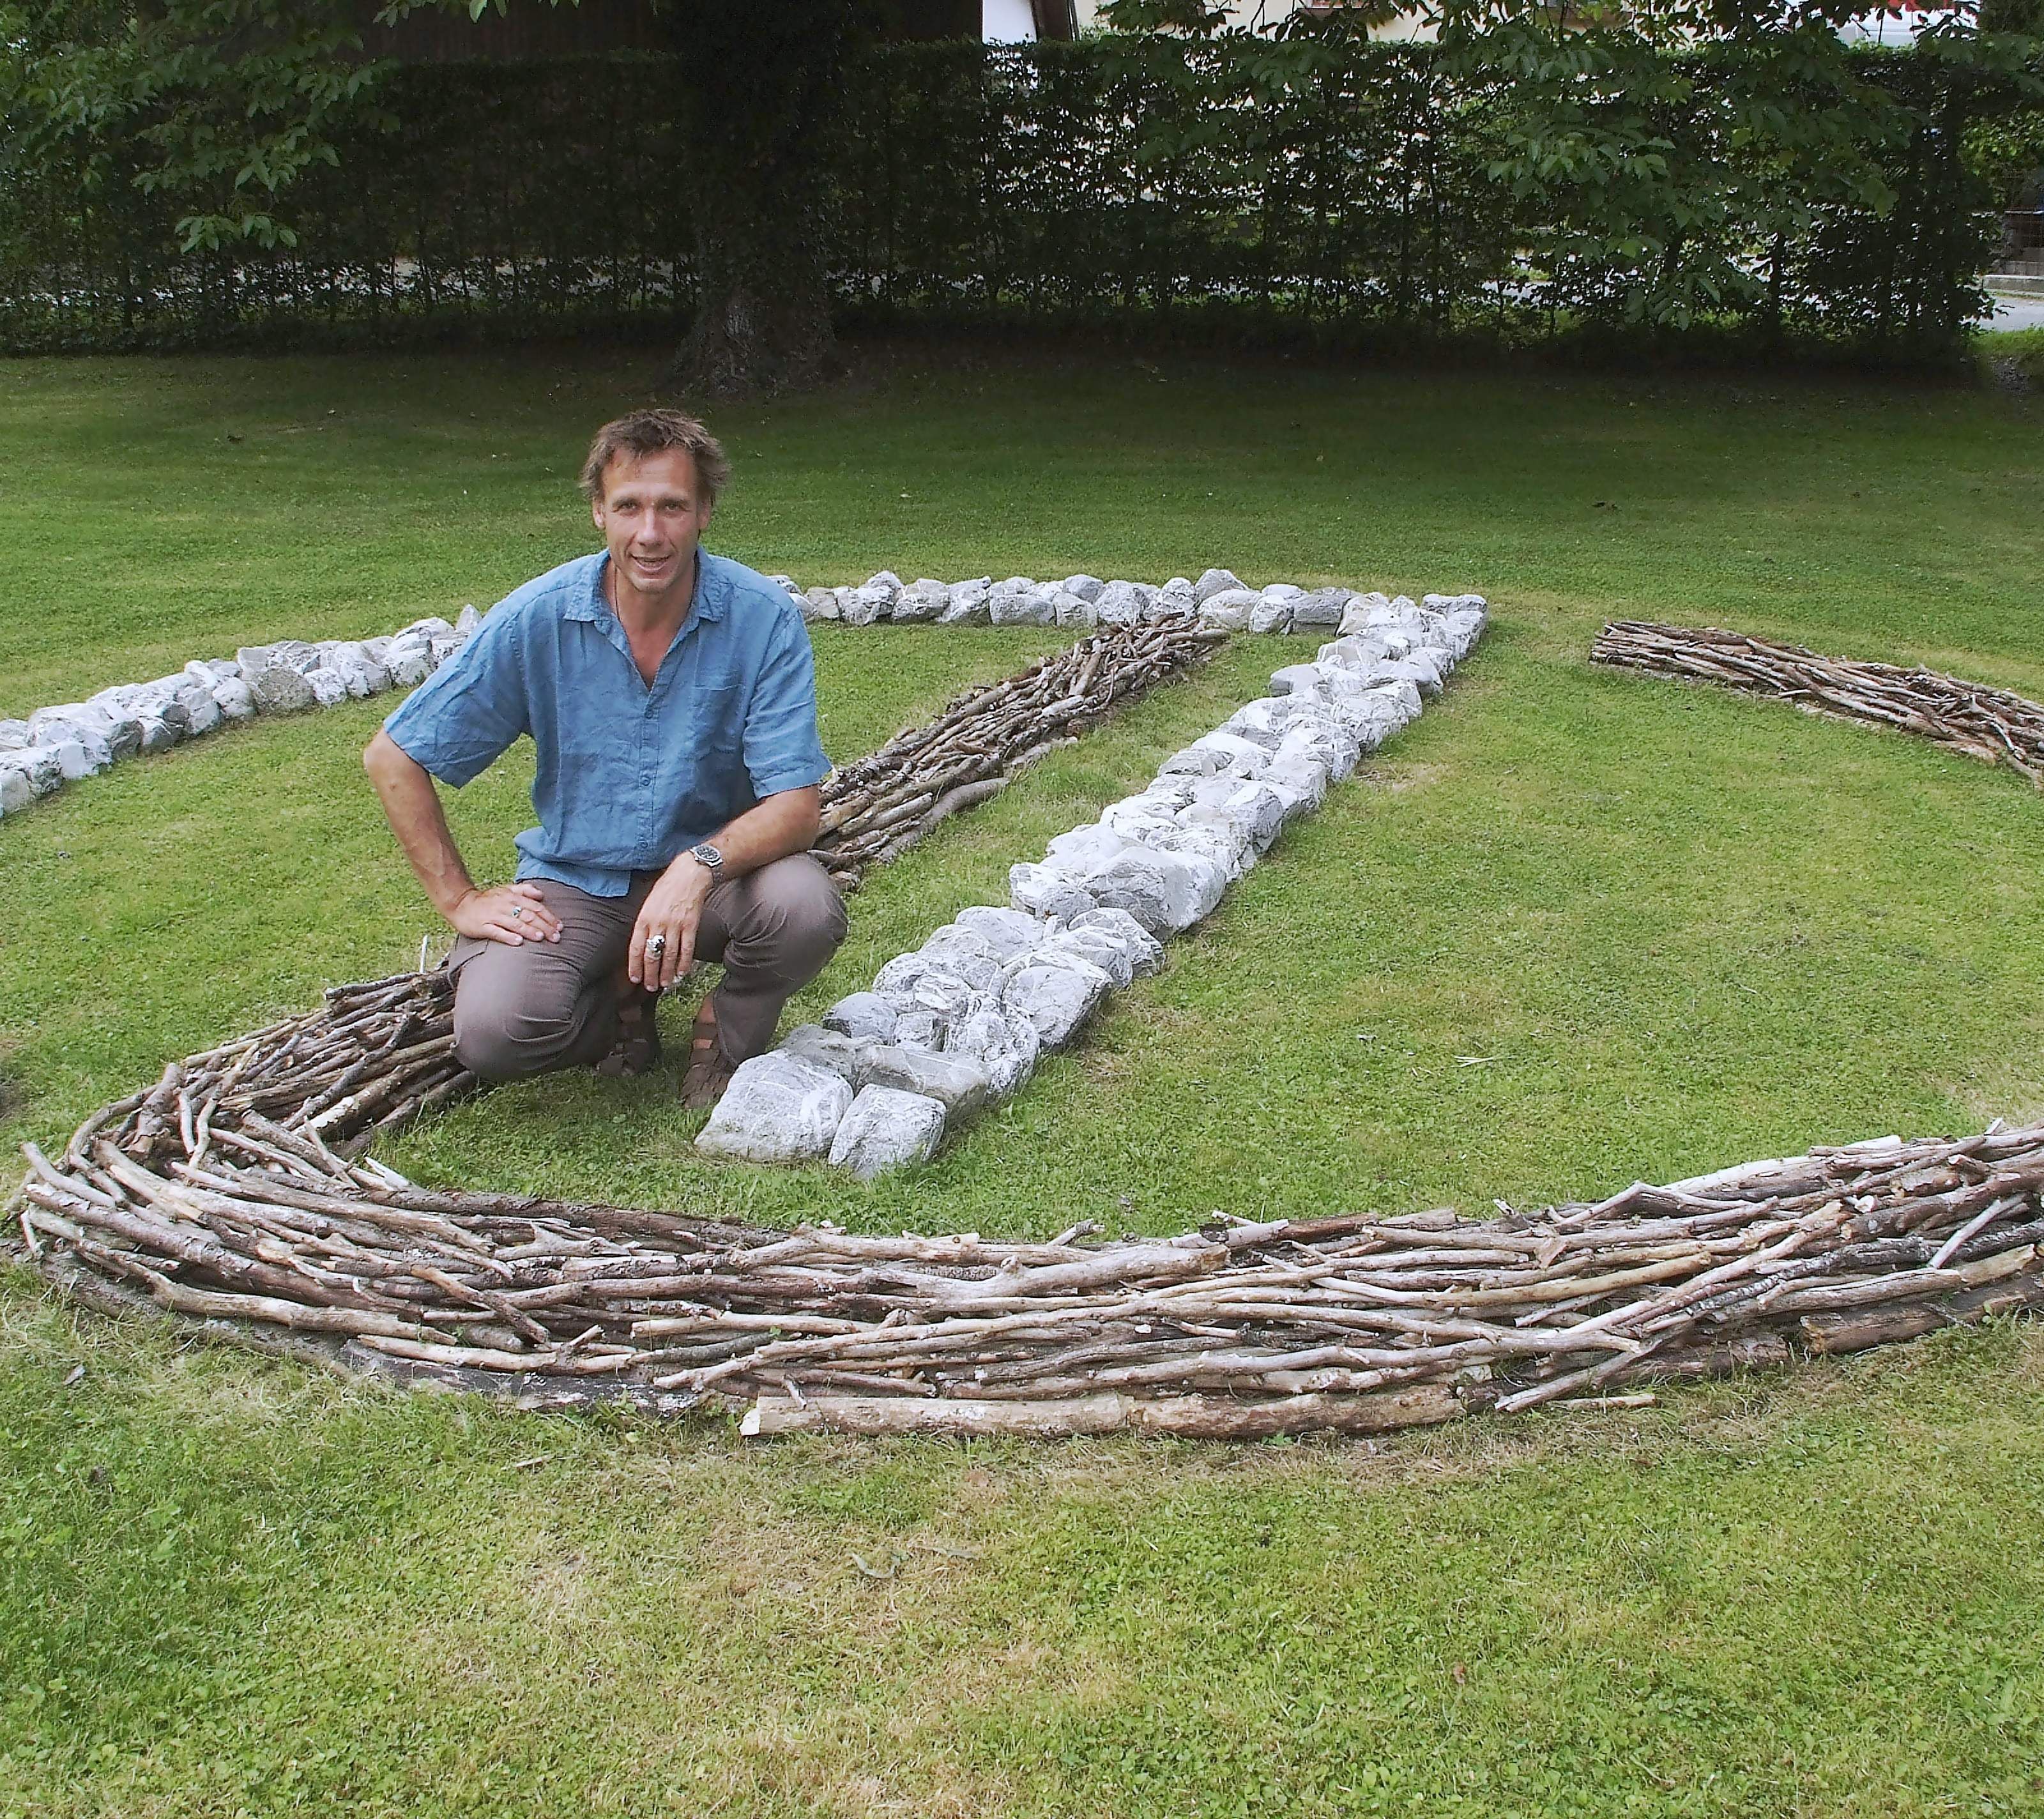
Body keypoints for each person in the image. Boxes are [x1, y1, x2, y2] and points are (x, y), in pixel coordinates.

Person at [362, 408, 847, 1108]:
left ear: (705, 510)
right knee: (494, 1034)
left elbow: (798, 810)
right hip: (575, 881)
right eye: (629, 507)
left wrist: (695, 866)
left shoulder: (760, 617)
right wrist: (459, 898)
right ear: (598, 511)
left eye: (672, 507)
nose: (649, 534)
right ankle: (618, 1007)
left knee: (803, 906)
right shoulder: (539, 616)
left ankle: (727, 1030)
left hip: (716, 883)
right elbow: (393, 756)